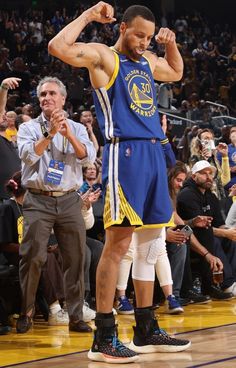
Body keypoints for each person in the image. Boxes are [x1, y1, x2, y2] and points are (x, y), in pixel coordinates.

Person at [48, 2, 190, 363]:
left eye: (148, 37)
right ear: (123, 28)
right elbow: (58, 47)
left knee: (150, 242)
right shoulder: (103, 58)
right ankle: (105, 335)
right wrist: (88, 17)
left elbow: (175, 72)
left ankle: (145, 328)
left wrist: (169, 42)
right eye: (138, 35)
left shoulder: (146, 61)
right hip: (123, 154)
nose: (143, 42)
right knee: (118, 243)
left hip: (153, 155)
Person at [16, 76, 96, 334]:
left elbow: (87, 158)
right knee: (33, 257)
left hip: (70, 198)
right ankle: (27, 311)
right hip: (38, 199)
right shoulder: (28, 128)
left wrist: (68, 134)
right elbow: (29, 156)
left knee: (76, 257)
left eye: (52, 94)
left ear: (62, 98)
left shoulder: (77, 127)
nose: (46, 98)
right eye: (43, 95)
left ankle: (75, 315)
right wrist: (50, 133)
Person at [177, 160, 236, 299]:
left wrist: (229, 232)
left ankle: (232, 280)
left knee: (231, 240)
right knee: (212, 237)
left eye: (211, 173)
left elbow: (220, 223)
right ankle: (226, 284)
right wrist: (224, 233)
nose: (209, 177)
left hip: (203, 234)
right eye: (204, 173)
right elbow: (198, 227)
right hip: (188, 235)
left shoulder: (210, 195)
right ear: (193, 176)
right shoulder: (187, 194)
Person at [0, 77, 21, 202]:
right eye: (1, 113)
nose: (4, 115)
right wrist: (3, 88)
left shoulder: (12, 141)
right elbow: (1, 106)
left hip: (14, 197)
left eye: (4, 114)